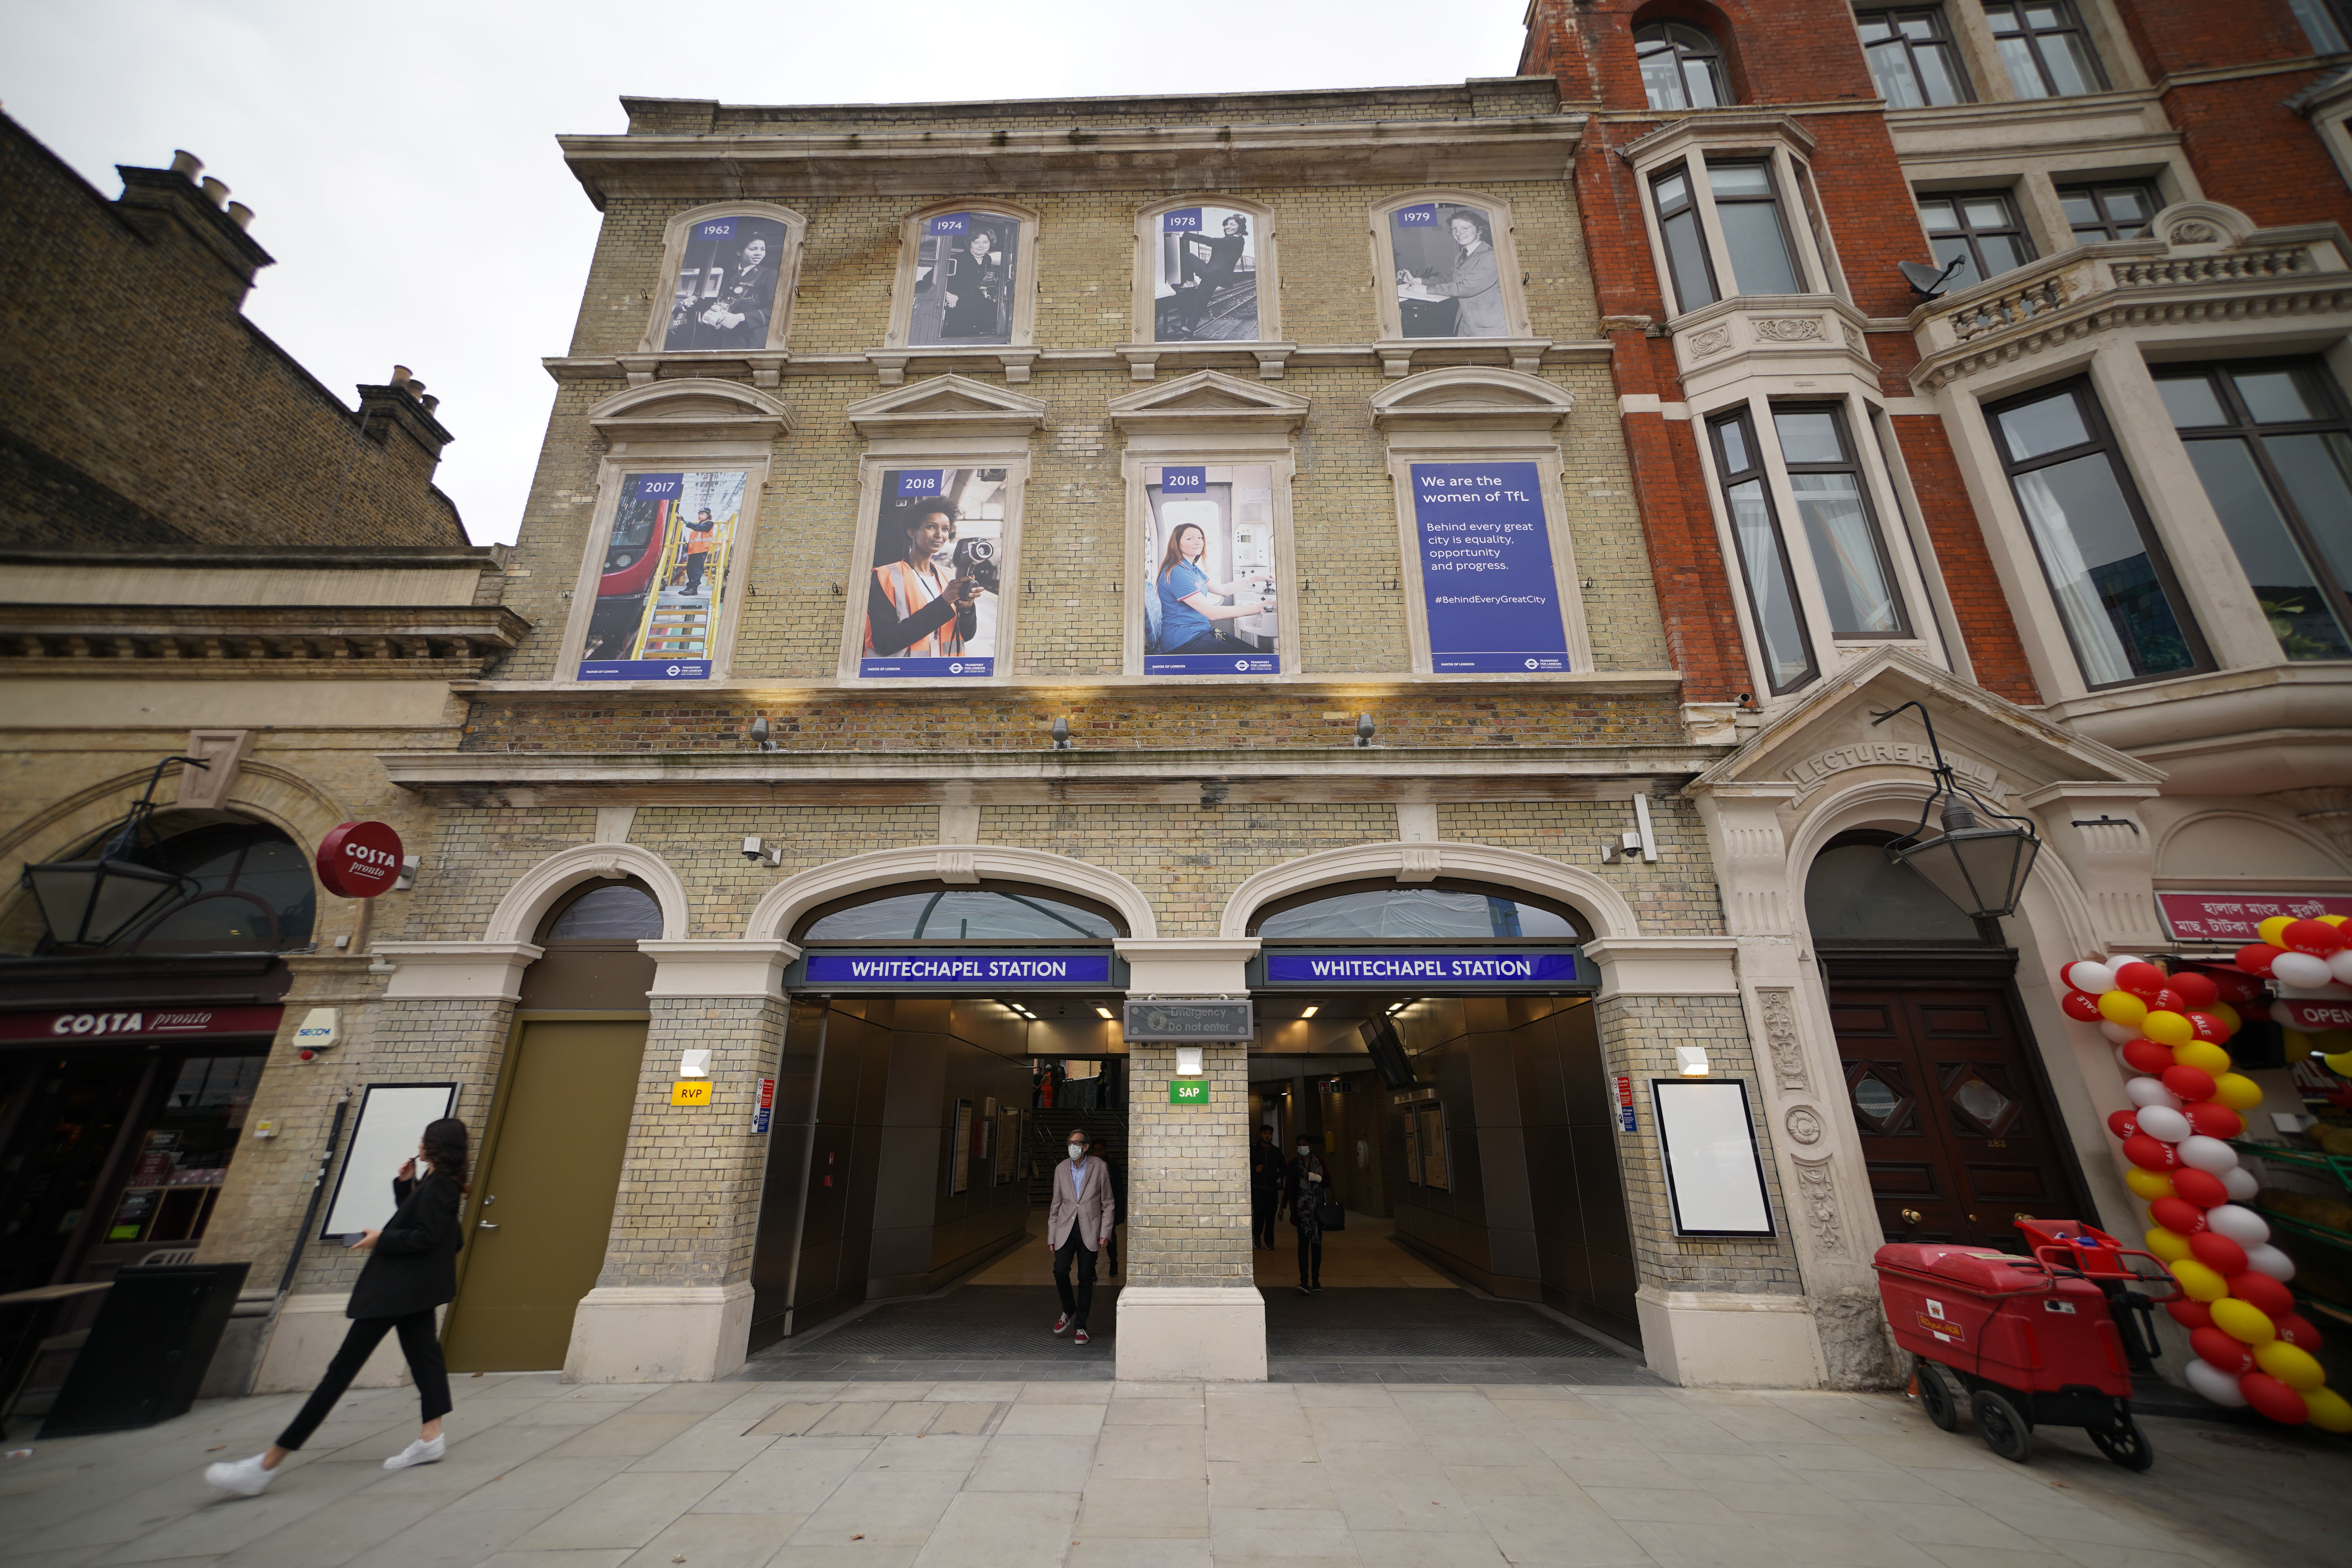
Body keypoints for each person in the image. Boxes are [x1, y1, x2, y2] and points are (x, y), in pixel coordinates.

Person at [205, 1118, 469, 1496]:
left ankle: (266, 1465)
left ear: (437, 1146)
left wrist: (381, 1239)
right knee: (426, 1357)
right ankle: (431, 1437)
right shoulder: (435, 1184)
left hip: (394, 1292)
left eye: (425, 1140)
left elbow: (430, 1237)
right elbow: (440, 1233)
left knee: (340, 1371)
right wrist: (405, 1187)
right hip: (411, 1292)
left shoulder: (441, 1187)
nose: (419, 1144)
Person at [866, 502, 982, 660]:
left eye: (945, 529)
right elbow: (885, 643)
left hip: (945, 674)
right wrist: (944, 602)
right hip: (903, 677)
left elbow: (966, 635)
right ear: (912, 532)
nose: (940, 535)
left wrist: (967, 606)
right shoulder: (884, 576)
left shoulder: (949, 576)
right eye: (932, 527)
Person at [1152, 521, 1271, 657]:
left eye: (1200, 538)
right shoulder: (1176, 573)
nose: (1197, 542)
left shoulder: (1192, 569)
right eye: (1189, 539)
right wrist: (1258, 607)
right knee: (1255, 662)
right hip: (1183, 641)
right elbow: (1213, 614)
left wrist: (1255, 578)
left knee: (1258, 655)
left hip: (1202, 632)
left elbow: (1223, 590)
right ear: (1177, 544)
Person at [1045, 1124, 1116, 1345]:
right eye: (1070, 1143)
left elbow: (1108, 1202)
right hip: (1065, 1229)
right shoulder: (1061, 1169)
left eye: (1076, 1143)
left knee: (1086, 1278)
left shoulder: (1100, 1167)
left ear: (1085, 1147)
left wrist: (1106, 1232)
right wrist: (1051, 1235)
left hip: (1090, 1229)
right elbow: (1056, 1204)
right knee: (1059, 1271)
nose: (1072, 1147)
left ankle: (1080, 1327)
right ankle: (1069, 1309)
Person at [1397, 211, 1506, 338]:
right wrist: (1416, 280)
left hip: (1490, 326)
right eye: (1455, 229)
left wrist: (1426, 290)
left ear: (1480, 230)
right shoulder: (1461, 255)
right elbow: (1448, 279)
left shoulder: (1490, 256)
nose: (1458, 233)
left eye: (1465, 228)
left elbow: (1465, 288)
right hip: (1467, 323)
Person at [1169, 213, 1250, 338]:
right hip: (1217, 275)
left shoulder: (1234, 241)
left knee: (1186, 256)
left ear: (1241, 227)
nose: (1228, 227)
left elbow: (1209, 241)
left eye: (1232, 224)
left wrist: (1183, 234)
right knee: (1200, 300)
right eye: (1227, 224)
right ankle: (1189, 329)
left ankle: (1189, 283)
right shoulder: (1238, 241)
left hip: (1213, 272)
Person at [1279, 1131, 1331, 1295]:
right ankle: (1304, 1281)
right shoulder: (1294, 1164)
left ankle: (1316, 1281)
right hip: (1302, 1212)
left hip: (1317, 1212)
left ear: (1311, 1146)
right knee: (1303, 1245)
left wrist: (1317, 1178)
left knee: (1317, 1245)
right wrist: (1283, 1207)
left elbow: (1328, 1182)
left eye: (1305, 1144)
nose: (1302, 1147)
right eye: (1300, 1144)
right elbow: (1289, 1188)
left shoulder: (1319, 1162)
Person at [938, 229, 1007, 340]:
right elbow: (928, 281)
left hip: (973, 297)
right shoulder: (957, 260)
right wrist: (946, 294)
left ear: (991, 243)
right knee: (958, 332)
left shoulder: (987, 259)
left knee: (997, 311)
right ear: (970, 244)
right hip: (956, 302)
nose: (981, 246)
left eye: (985, 242)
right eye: (976, 242)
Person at [1249, 1124, 1285, 1249]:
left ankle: (1270, 1242)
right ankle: (1257, 1235)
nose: (1267, 1136)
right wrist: (1255, 1169)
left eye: (1270, 1134)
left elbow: (1283, 1167)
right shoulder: (1254, 1150)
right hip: (1258, 1188)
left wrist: (1278, 1175)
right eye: (1265, 1133)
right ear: (1261, 1134)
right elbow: (1245, 1165)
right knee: (1259, 1215)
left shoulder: (1276, 1151)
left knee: (1270, 1217)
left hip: (1272, 1189)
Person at [681, 507, 719, 597]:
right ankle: (690, 586)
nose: (700, 515)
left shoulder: (709, 524)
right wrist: (686, 552)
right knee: (690, 568)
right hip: (693, 551)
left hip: (701, 550)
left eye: (702, 514)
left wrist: (687, 522)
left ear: (708, 516)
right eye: (699, 514)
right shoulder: (698, 525)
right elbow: (692, 540)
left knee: (697, 569)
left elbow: (699, 528)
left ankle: (694, 589)